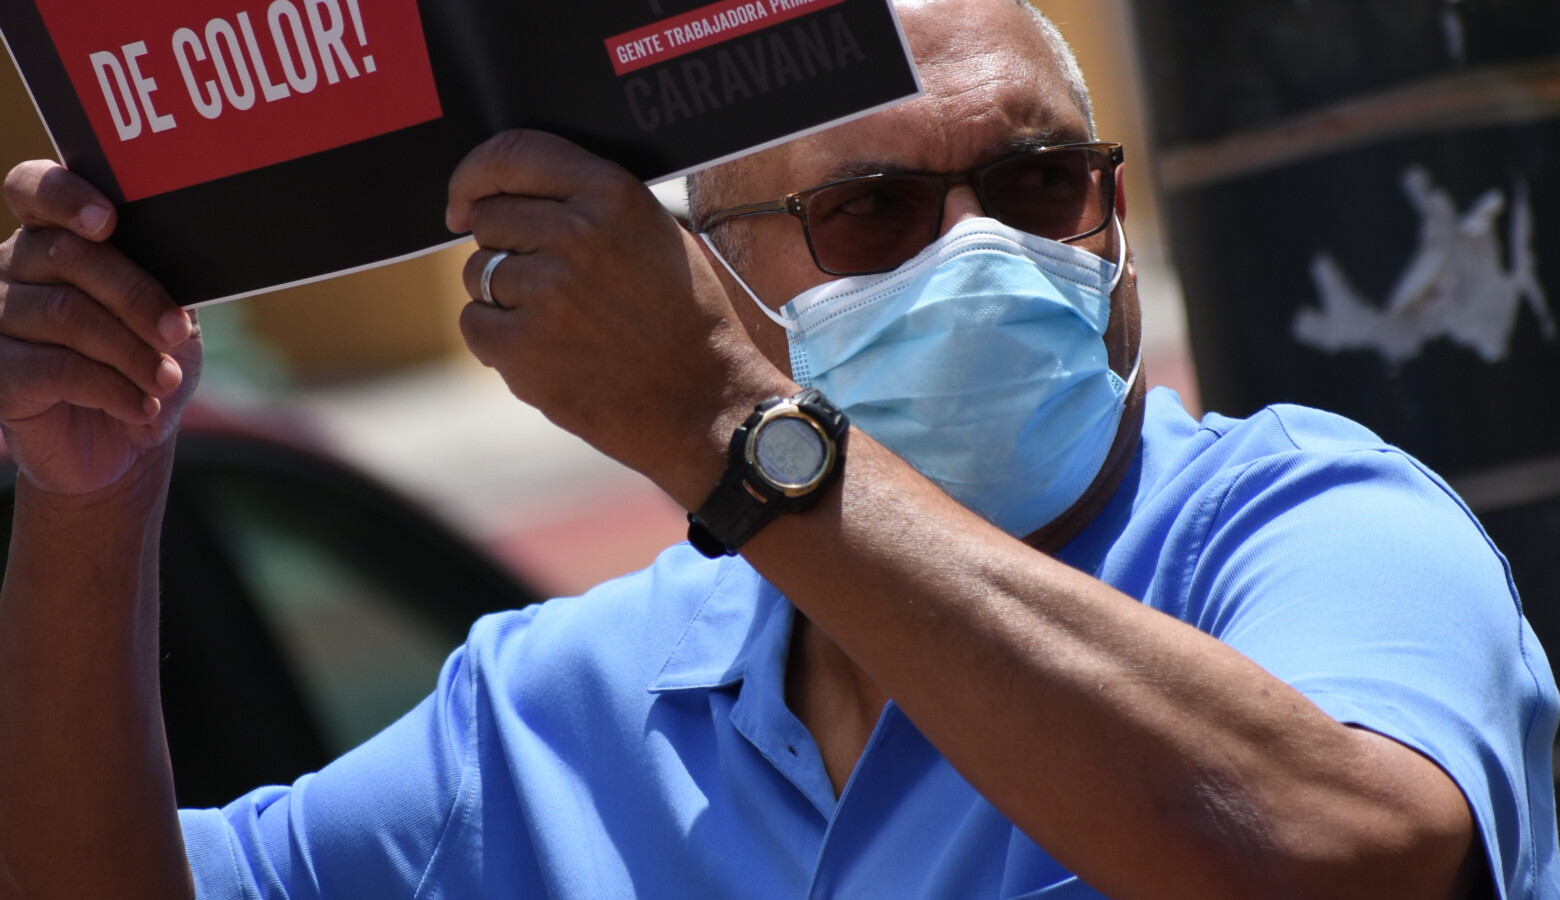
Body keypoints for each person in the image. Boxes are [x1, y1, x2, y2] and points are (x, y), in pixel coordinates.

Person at [0, 0, 1554, 897]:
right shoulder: (561, 716)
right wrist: (97, 494)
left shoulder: (1307, 528)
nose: (976, 255)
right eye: (868, 212)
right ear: (725, 270)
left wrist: (737, 431)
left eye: (1036, 188)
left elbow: (1350, 861)